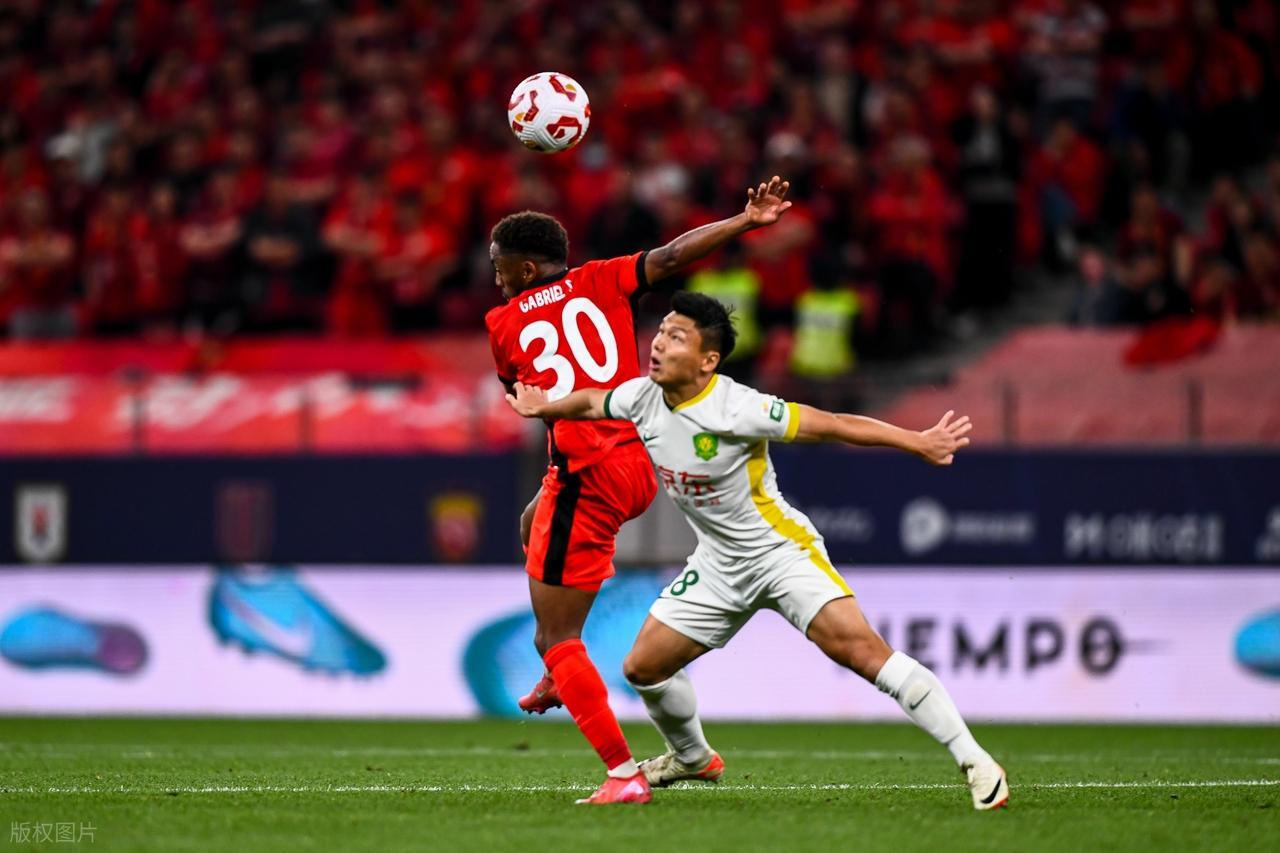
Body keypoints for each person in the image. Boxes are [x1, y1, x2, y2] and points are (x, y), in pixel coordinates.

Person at [505, 290, 1009, 812]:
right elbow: (592, 402)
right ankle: (692, 757)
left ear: (707, 360)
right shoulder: (641, 396)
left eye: (676, 337)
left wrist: (916, 441)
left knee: (864, 654)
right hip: (716, 565)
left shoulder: (739, 407)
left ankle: (975, 761)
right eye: (661, 332)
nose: (657, 344)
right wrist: (545, 407)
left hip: (779, 553)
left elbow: (833, 423)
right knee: (643, 668)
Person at [484, 176, 796, 805]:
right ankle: (561, 669)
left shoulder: (502, 322)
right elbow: (675, 255)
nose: (495, 278)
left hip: (586, 473)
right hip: (636, 464)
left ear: (525, 269)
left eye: (499, 267)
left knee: (555, 638)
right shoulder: (603, 278)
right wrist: (743, 222)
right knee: (530, 521)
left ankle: (621, 772)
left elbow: (528, 396)